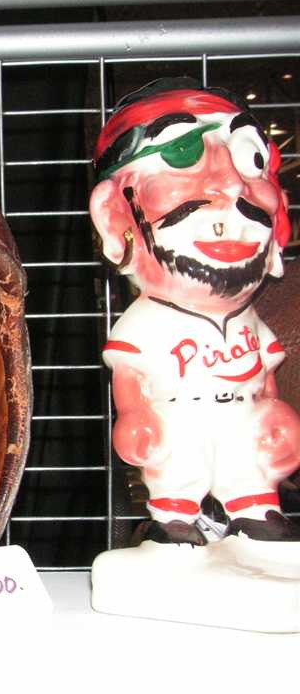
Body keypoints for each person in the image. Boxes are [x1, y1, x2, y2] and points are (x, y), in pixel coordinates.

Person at [90, 77, 300, 545]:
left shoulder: (248, 319)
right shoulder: (149, 321)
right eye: (180, 154)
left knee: (247, 467)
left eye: (251, 159)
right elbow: (129, 373)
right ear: (113, 214)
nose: (230, 184)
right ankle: (174, 519)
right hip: (178, 416)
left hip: (242, 416)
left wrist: (273, 408)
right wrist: (135, 413)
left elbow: (264, 370)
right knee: (177, 468)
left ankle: (256, 510)